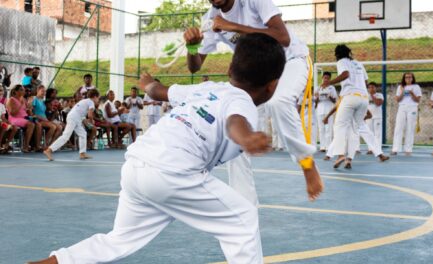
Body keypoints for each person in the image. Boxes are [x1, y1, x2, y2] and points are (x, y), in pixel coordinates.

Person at [28, 33, 322, 264]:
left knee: (119, 240)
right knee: (243, 219)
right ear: (273, 86)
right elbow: (236, 122)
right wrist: (247, 138)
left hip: (138, 163)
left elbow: (159, 92)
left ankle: (54, 261)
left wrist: (147, 83)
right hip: (173, 171)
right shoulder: (243, 102)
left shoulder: (207, 88)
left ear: (231, 68)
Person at [184, 0, 319, 205]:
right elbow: (194, 67)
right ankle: (244, 203)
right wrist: (192, 48)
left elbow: (283, 37)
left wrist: (234, 27)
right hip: (257, 72)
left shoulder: (253, 2)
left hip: (291, 60)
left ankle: (307, 163)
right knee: (234, 121)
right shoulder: (211, 20)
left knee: (278, 102)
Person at [324, 44, 375, 168]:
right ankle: (349, 159)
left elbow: (345, 74)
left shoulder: (341, 62)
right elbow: (366, 82)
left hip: (350, 96)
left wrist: (329, 82)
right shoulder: (358, 64)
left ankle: (340, 155)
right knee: (354, 129)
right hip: (363, 98)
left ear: (337, 54)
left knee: (339, 126)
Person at [43, 89, 100, 161]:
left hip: (74, 118)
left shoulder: (84, 101)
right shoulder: (91, 102)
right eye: (98, 98)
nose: (98, 100)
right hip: (74, 118)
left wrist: (88, 121)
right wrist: (91, 122)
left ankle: (82, 153)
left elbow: (81, 115)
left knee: (83, 134)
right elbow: (90, 115)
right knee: (66, 136)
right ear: (95, 97)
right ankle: (49, 150)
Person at [391, 72, 422, 156]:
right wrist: (403, 92)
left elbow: (417, 100)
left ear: (413, 78)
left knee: (410, 128)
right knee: (398, 127)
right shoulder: (400, 87)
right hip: (402, 107)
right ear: (404, 79)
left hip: (412, 107)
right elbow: (398, 100)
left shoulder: (416, 87)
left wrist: (412, 93)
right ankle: (395, 148)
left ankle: (408, 149)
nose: (408, 79)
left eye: (410, 77)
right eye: (406, 77)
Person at [6, 85, 42, 153]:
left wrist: (30, 110)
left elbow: (26, 111)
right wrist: (20, 104)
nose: (24, 91)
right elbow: (12, 113)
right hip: (15, 118)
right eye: (21, 90)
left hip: (24, 117)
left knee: (38, 124)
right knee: (31, 124)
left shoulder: (23, 99)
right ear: (15, 91)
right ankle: (25, 146)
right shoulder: (11, 100)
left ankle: (37, 146)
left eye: (23, 90)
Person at [315, 72, 338, 152]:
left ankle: (329, 146)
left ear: (330, 79)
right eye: (325, 78)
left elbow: (335, 100)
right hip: (320, 109)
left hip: (329, 109)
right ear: (322, 78)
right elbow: (316, 101)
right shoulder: (318, 88)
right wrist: (317, 97)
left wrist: (330, 97)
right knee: (321, 129)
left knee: (328, 128)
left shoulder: (332, 88)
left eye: (328, 78)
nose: (326, 80)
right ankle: (322, 146)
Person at [366, 82, 384, 155]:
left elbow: (378, 103)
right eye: (369, 87)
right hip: (368, 117)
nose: (371, 89)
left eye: (373, 87)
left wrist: (372, 96)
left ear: (376, 88)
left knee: (378, 133)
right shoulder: (365, 96)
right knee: (369, 133)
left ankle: (378, 149)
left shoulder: (380, 95)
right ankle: (370, 149)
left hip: (377, 117)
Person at [0, 85, 18, 153]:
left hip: (1, 122)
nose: (1, 92)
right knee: (4, 125)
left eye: (1, 90)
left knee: (14, 127)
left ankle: (6, 145)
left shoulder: (1, 106)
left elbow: (3, 118)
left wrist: (10, 123)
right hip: (1, 123)